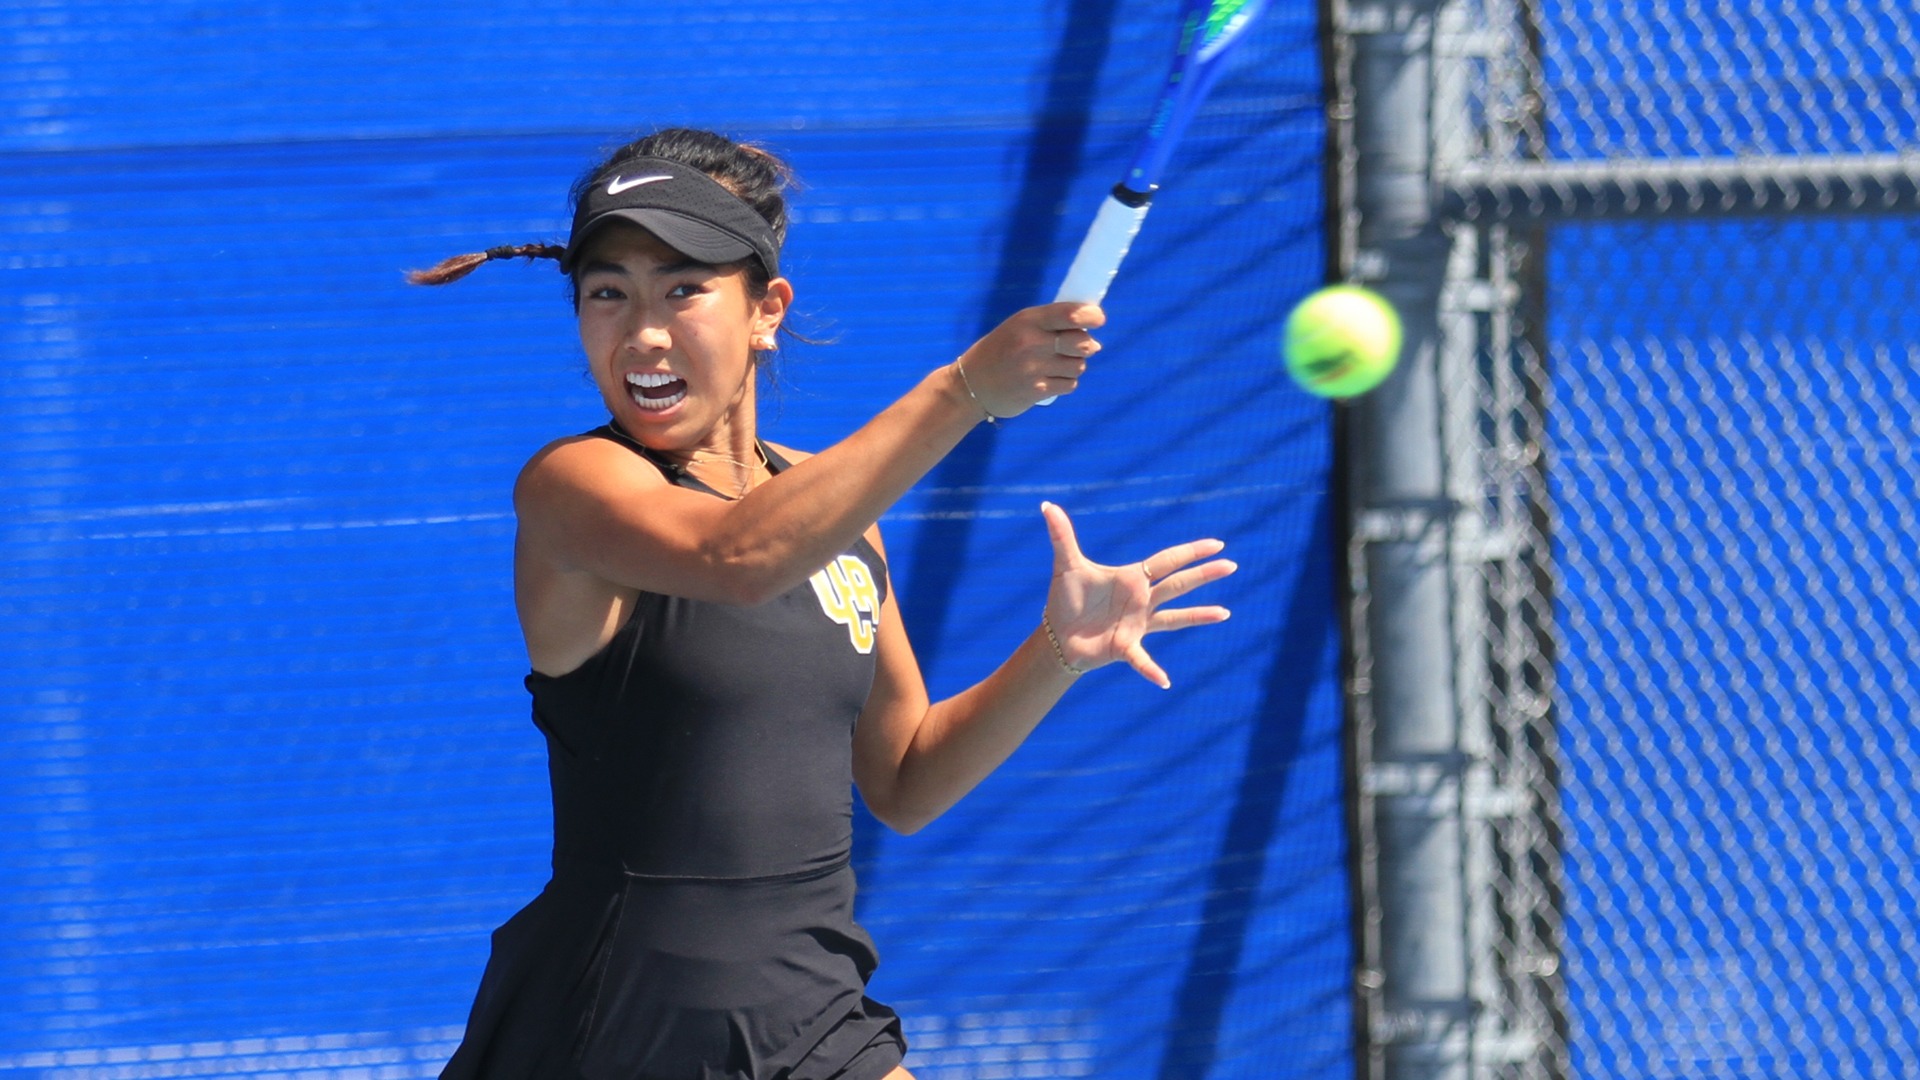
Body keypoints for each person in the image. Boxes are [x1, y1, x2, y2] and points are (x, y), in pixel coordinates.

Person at [410, 127, 1236, 1080]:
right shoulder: (572, 486)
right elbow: (738, 555)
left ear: (766, 311)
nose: (642, 330)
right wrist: (965, 390)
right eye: (608, 294)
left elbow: (905, 777)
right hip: (617, 1029)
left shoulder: (837, 516)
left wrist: (1055, 650)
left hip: (814, 1013)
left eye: (683, 289)